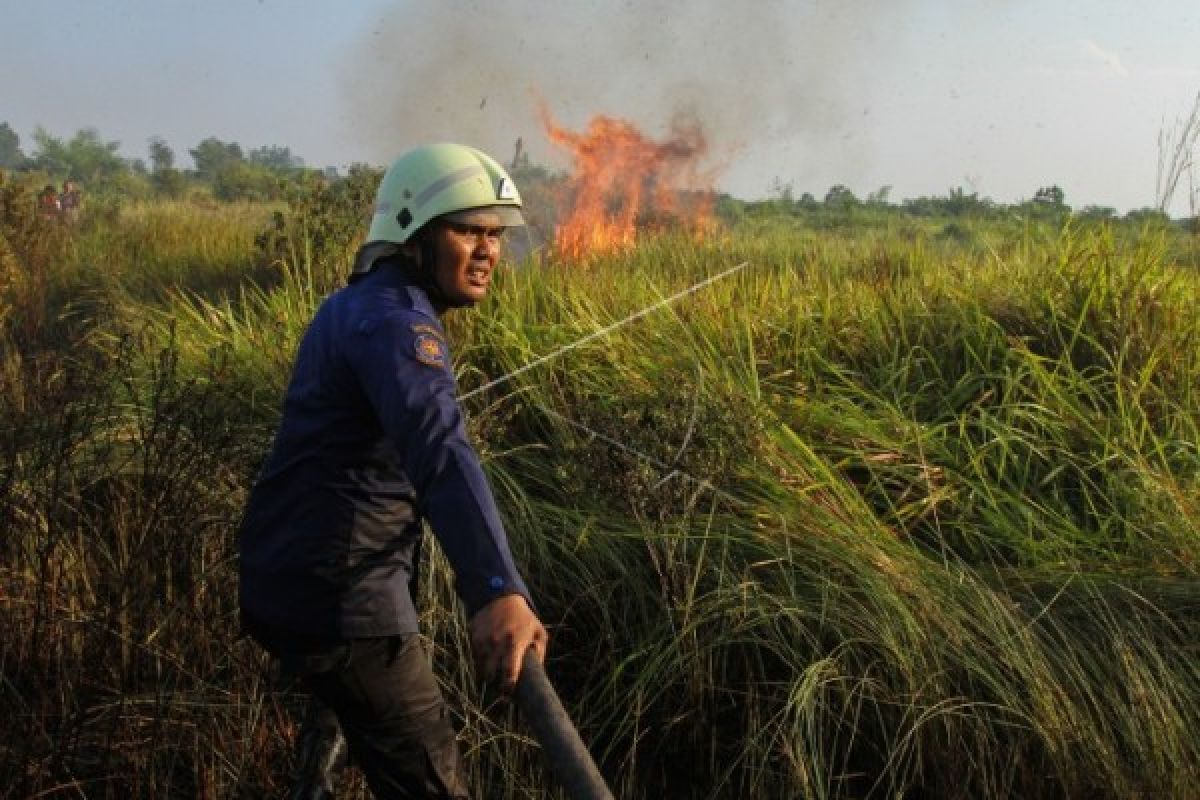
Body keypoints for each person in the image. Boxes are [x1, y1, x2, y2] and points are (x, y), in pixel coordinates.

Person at [238, 143, 548, 799]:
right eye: (468, 230)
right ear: (414, 234)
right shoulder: (399, 326)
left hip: (289, 585)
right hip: (347, 605)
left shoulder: (350, 306)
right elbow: (441, 449)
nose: (489, 250)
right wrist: (498, 589)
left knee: (344, 732)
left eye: (495, 234)